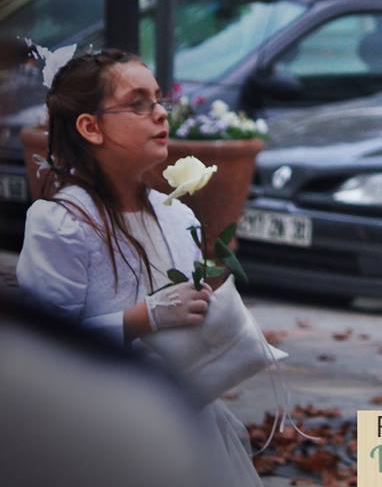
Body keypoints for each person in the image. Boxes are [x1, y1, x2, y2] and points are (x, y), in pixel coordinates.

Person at [15, 49, 262, 486]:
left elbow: (183, 321)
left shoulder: (177, 216)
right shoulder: (62, 223)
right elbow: (43, 350)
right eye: (137, 103)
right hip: (95, 431)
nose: (160, 115)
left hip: (176, 418)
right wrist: (143, 317)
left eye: (160, 100)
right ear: (91, 127)